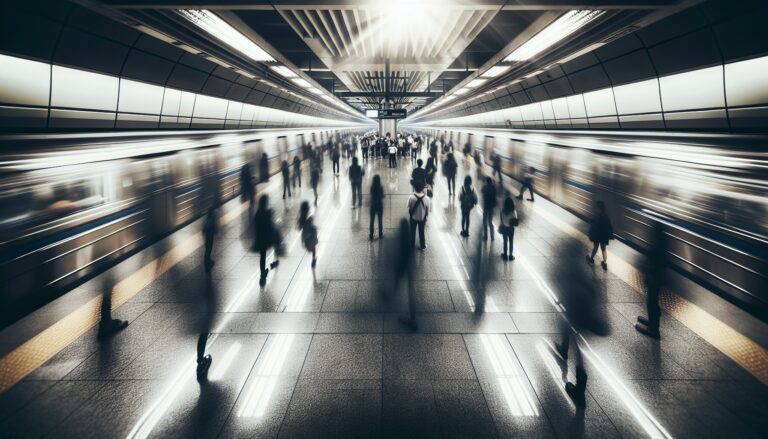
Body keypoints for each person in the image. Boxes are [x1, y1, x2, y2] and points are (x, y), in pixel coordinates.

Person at [554, 239, 609, 406]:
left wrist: (564, 299)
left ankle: (580, 392)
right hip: (585, 314)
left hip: (578, 315)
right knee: (574, 339)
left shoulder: (570, 267)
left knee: (579, 351)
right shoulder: (581, 267)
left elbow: (570, 288)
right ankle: (563, 349)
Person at [636, 222, 667, 338]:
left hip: (655, 277)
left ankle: (653, 330)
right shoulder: (662, 240)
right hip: (657, 276)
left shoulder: (657, 244)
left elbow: (653, 258)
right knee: (653, 301)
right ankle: (652, 322)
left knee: (652, 303)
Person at [253, 195, 280, 285]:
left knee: (262, 257)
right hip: (267, 238)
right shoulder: (266, 213)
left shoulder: (257, 214)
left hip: (260, 239)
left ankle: (262, 273)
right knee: (276, 244)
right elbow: (270, 225)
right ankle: (275, 262)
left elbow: (256, 227)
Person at [396, 219, 417, 330]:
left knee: (402, 290)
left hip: (403, 267)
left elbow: (400, 258)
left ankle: (407, 316)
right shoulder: (409, 240)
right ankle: (412, 317)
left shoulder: (401, 240)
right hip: (410, 269)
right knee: (410, 292)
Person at [586, 200, 613, 270]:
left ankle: (591, 259)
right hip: (604, 236)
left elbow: (593, 224)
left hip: (597, 235)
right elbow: (609, 226)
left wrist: (590, 222)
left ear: (598, 208)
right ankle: (604, 263)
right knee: (603, 249)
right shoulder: (606, 216)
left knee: (595, 247)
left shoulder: (597, 215)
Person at [407, 180, 430, 250]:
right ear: (422, 189)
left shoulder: (411, 197)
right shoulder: (426, 198)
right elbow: (428, 210)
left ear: (415, 188)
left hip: (413, 217)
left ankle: (411, 245)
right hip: (422, 218)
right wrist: (426, 216)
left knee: (412, 231)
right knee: (421, 231)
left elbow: (408, 207)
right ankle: (422, 246)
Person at [297, 201, 319, 267]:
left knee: (310, 248)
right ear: (308, 208)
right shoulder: (309, 218)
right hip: (311, 235)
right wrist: (315, 228)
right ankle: (313, 259)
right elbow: (311, 227)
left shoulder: (301, 218)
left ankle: (313, 258)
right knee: (313, 248)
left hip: (305, 236)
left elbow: (299, 227)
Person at [498, 196, 518, 260]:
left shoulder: (502, 211)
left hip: (504, 228)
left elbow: (501, 221)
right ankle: (511, 255)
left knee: (505, 241)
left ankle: (505, 255)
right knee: (511, 241)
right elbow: (515, 219)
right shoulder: (513, 211)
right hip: (511, 229)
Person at [481, 177, 497, 241]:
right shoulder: (493, 187)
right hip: (491, 206)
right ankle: (492, 237)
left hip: (486, 206)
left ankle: (485, 236)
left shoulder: (485, 187)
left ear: (487, 181)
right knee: (490, 222)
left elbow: (482, 191)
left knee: (484, 221)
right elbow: (496, 193)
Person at [369, 175, 384, 240]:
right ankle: (380, 234)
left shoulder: (372, 187)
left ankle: (371, 235)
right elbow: (382, 196)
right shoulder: (381, 187)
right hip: (379, 205)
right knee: (380, 220)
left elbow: (372, 195)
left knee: (372, 221)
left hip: (373, 205)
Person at [203, 207, 217, 271]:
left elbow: (204, 230)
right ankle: (207, 264)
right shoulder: (211, 220)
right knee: (208, 250)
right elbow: (212, 228)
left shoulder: (207, 220)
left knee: (208, 250)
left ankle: (208, 261)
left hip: (207, 238)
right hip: (209, 238)